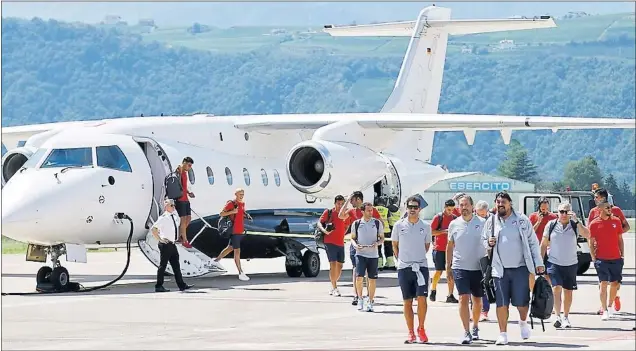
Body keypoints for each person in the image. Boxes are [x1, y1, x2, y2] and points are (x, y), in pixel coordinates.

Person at [482, 192, 544, 346]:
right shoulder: (491, 221)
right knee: (501, 303)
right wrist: (488, 243)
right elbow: (483, 240)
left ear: (510, 203)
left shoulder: (522, 220)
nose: (500, 204)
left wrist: (538, 262)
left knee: (522, 303)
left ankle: (523, 322)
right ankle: (503, 333)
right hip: (499, 269)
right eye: (497, 202)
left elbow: (533, 243)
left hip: (520, 268)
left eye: (503, 202)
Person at [540, 202, 590, 328]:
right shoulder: (551, 225)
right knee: (556, 288)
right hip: (554, 262)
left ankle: (566, 316)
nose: (563, 214)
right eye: (561, 211)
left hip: (571, 263)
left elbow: (587, 234)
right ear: (557, 213)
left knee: (568, 291)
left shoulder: (574, 225)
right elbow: (544, 243)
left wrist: (577, 221)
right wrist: (540, 262)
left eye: (566, 211)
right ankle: (557, 316)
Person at [446, 195, 487, 344]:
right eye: (461, 205)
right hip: (459, 266)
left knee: (477, 300)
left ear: (472, 206)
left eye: (466, 205)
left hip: (478, 268)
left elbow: (490, 243)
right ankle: (466, 331)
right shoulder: (454, 224)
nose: (463, 208)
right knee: (463, 298)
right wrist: (448, 266)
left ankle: (475, 326)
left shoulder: (483, 223)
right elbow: (449, 245)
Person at [392, 195, 432, 344]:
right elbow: (395, 245)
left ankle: (421, 328)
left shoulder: (426, 226)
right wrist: (401, 259)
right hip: (404, 267)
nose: (413, 210)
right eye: (410, 207)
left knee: (422, 299)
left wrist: (417, 256)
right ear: (406, 208)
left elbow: (427, 246)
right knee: (407, 301)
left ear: (420, 209)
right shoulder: (398, 225)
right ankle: (410, 332)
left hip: (421, 267)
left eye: (415, 207)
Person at [588, 188, 629, 314]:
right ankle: (604, 307)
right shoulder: (593, 212)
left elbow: (626, 226)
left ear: (603, 198)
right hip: (600, 253)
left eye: (597, 197)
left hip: (614, 251)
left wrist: (612, 233)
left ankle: (615, 297)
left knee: (615, 283)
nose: (595, 199)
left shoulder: (615, 210)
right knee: (603, 282)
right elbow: (589, 230)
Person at [339, 191, 381, 306]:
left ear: (358, 199)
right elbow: (341, 216)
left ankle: (369, 295)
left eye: (352, 200)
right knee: (356, 270)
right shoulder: (352, 211)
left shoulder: (371, 210)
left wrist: (376, 240)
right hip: (356, 245)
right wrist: (347, 200)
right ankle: (357, 295)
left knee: (369, 273)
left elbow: (380, 223)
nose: (351, 203)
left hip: (370, 246)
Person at [152, 199, 193, 292]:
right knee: (163, 265)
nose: (173, 207)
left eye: (174, 205)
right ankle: (158, 286)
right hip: (165, 244)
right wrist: (160, 239)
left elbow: (177, 225)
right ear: (166, 207)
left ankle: (181, 285)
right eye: (171, 206)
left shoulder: (174, 216)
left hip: (172, 244)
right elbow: (154, 229)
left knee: (176, 266)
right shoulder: (163, 218)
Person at [350, 202, 384, 312]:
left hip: (373, 255)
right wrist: (355, 245)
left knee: (372, 279)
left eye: (371, 210)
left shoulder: (377, 223)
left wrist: (377, 244)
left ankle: (370, 301)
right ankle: (360, 299)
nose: (371, 212)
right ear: (362, 211)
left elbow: (382, 238)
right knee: (359, 278)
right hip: (360, 254)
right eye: (368, 210)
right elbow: (352, 238)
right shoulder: (356, 223)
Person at [215, 188, 253, 281]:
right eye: (240, 194)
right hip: (234, 231)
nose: (242, 196)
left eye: (243, 194)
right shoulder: (231, 203)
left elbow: (240, 214)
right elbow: (221, 213)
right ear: (236, 194)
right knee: (237, 252)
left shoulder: (242, 204)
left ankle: (216, 260)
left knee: (230, 248)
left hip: (240, 231)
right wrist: (232, 211)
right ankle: (241, 273)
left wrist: (246, 215)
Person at [317, 195, 347, 296]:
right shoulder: (329, 212)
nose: (340, 206)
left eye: (342, 204)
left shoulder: (345, 214)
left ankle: (333, 283)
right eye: (338, 204)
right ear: (335, 204)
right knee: (333, 264)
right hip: (329, 241)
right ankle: (334, 287)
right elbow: (319, 223)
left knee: (340, 265)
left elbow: (346, 225)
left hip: (341, 242)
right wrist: (325, 230)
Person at [429, 199, 458, 303]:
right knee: (439, 271)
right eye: (449, 209)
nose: (450, 211)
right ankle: (433, 289)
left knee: (450, 272)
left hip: (451, 250)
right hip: (439, 249)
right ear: (445, 207)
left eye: (452, 209)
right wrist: (443, 232)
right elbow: (431, 232)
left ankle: (450, 294)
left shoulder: (455, 219)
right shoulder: (438, 217)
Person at [528, 197, 558, 291]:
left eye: (546, 208)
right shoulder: (533, 216)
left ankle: (547, 292)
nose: (544, 210)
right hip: (535, 247)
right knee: (532, 272)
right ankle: (533, 292)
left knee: (547, 272)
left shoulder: (553, 217)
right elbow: (530, 232)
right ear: (539, 207)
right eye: (542, 208)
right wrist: (538, 222)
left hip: (548, 248)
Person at [474, 200, 492, 322]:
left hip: (487, 256)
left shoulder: (493, 221)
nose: (480, 217)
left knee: (485, 284)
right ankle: (474, 310)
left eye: (483, 215)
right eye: (478, 214)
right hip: (473, 256)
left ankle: (484, 311)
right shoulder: (470, 220)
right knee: (473, 286)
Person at [175, 157, 195, 248]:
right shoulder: (179, 171)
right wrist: (180, 171)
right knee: (183, 220)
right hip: (180, 199)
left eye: (190, 166)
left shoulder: (185, 173)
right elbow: (178, 184)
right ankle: (184, 240)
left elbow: (183, 186)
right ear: (184, 163)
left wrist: (188, 192)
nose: (189, 167)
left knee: (189, 218)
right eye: (189, 165)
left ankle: (180, 236)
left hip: (185, 199)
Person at [375, 197, 392, 270]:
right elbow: (390, 220)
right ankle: (391, 264)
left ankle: (379, 265)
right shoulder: (386, 209)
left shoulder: (374, 209)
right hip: (387, 231)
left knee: (378, 248)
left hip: (378, 231)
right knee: (388, 247)